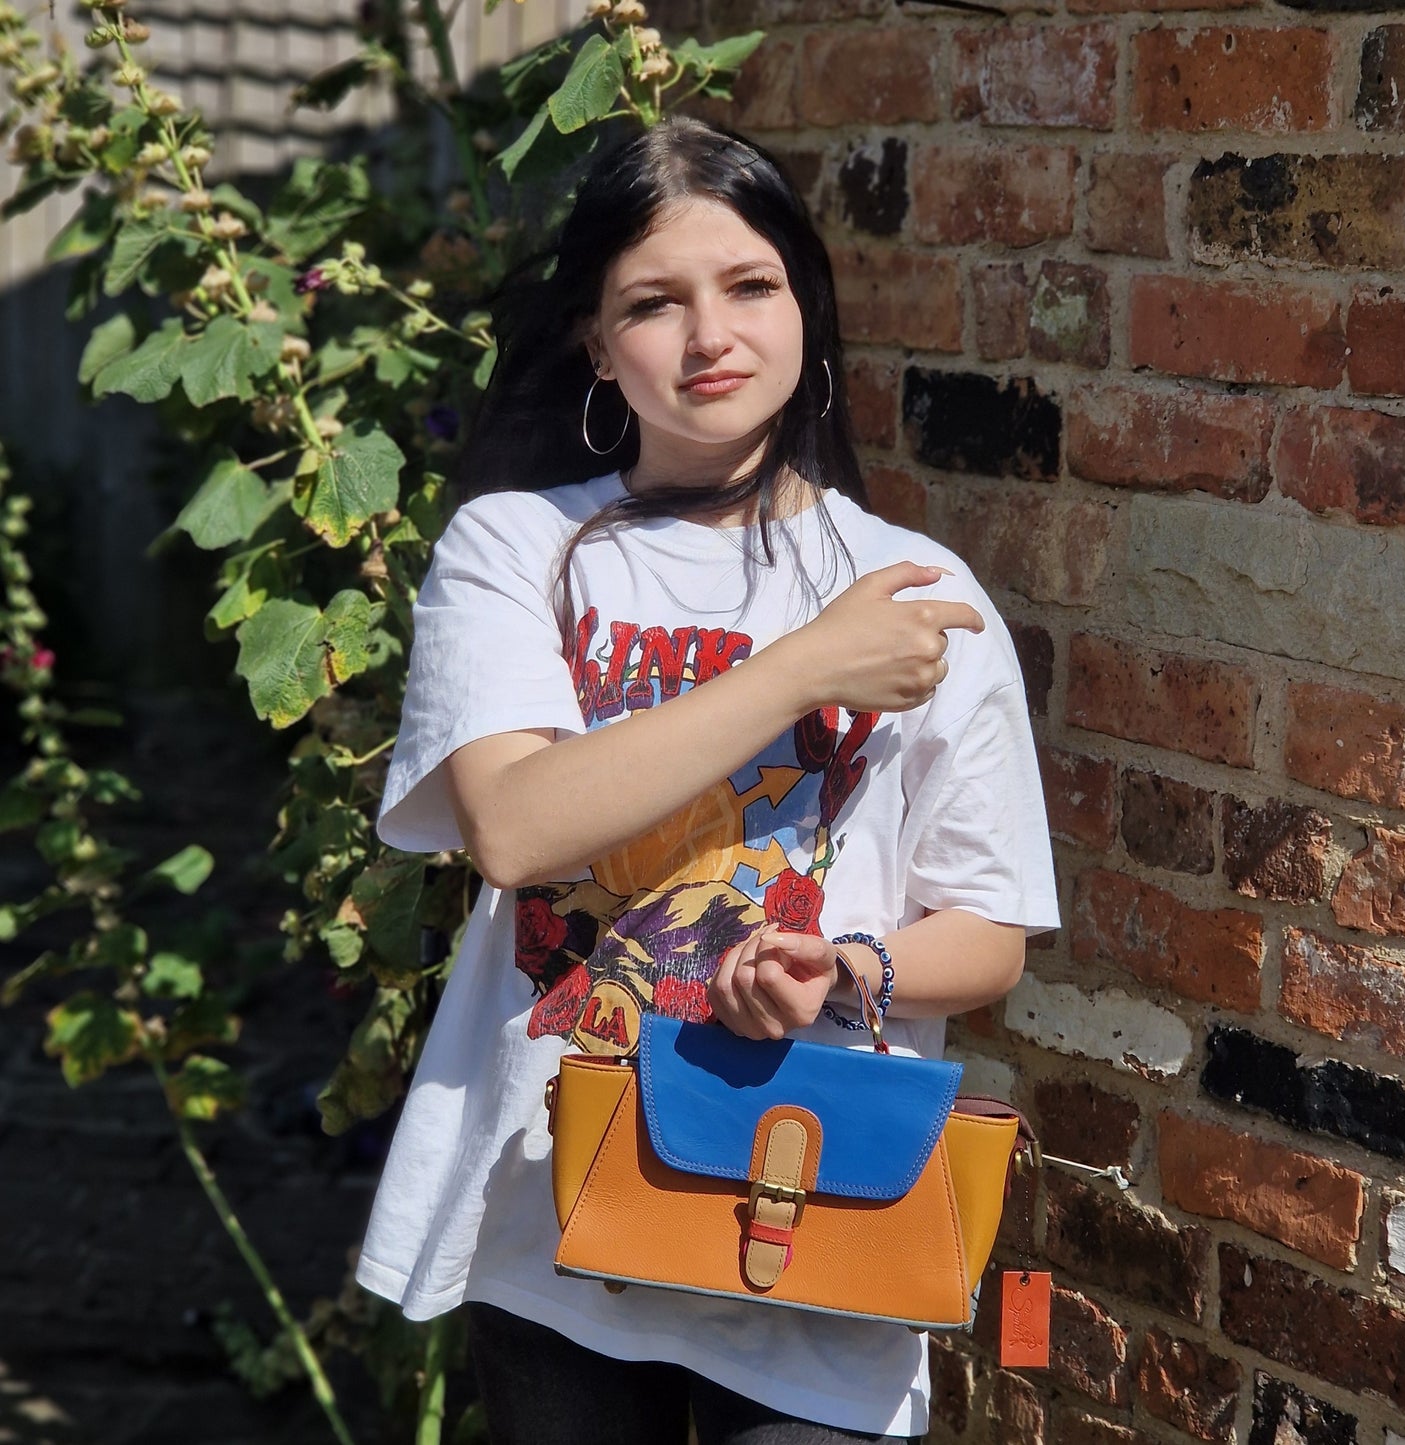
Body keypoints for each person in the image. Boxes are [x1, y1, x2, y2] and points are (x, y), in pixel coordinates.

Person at [353, 115, 1059, 1443]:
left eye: (749, 285)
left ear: (805, 305)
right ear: (594, 341)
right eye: (652, 303)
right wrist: (801, 668)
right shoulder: (523, 549)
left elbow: (989, 928)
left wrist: (856, 966)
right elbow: (513, 826)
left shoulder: (917, 595)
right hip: (556, 1207)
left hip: (811, 1219)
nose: (708, 337)